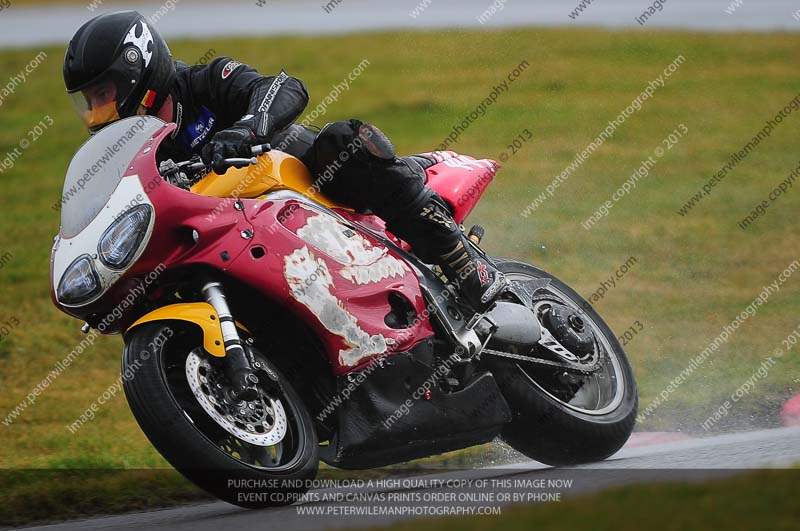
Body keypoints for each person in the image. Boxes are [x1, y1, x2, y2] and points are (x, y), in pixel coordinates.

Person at [63, 10, 507, 312]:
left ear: (136, 70)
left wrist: (249, 128)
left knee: (343, 141)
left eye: (104, 94)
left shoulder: (204, 81)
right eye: (90, 101)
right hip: (233, 237)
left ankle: (461, 260)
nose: (98, 111)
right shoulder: (135, 151)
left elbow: (284, 86)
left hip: (315, 190)